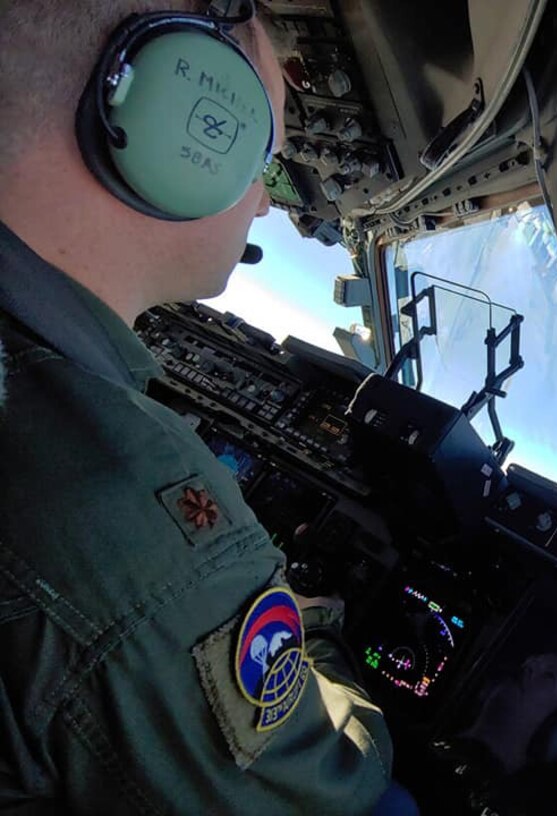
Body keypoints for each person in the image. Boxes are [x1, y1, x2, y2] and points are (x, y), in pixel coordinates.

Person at [0, 1, 401, 812]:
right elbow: (327, 790)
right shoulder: (124, 502)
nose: (266, 204)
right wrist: (316, 629)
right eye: (266, 160)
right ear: (174, 126)